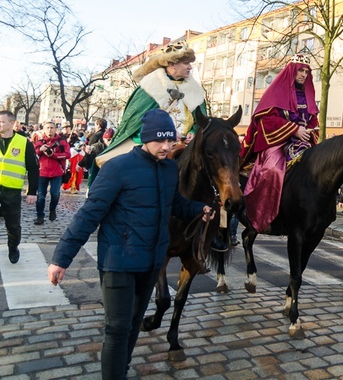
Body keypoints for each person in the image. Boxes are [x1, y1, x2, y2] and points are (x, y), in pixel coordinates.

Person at [47, 109, 215, 380]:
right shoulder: (117, 168)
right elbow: (89, 214)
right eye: (160, 140)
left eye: (170, 140)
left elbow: (176, 204)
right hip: (119, 261)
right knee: (117, 329)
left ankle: (120, 372)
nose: (166, 146)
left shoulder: (170, 168)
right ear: (145, 139)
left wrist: (199, 209)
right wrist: (60, 259)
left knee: (134, 324)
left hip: (151, 263)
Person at [240, 53, 319, 233]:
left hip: (302, 143)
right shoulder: (276, 92)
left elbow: (313, 120)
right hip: (278, 143)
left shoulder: (307, 96)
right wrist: (294, 130)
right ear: (292, 71)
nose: (304, 75)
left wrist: (310, 131)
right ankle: (261, 214)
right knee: (273, 170)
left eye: (306, 72)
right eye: (300, 71)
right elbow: (267, 120)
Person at [95, 42, 206, 169]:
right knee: (113, 166)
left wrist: (193, 132)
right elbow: (136, 124)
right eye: (186, 63)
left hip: (187, 146)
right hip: (153, 145)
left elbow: (201, 121)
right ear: (172, 64)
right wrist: (166, 135)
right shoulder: (149, 87)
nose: (190, 67)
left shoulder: (195, 90)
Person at [0, 110, 39, 264]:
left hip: (12, 191)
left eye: (2, 121)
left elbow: (33, 168)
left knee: (13, 225)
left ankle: (13, 247)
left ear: (12, 123)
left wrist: (32, 191)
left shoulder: (24, 143)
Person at [33, 122, 71, 225]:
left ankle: (52, 209)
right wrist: (40, 150)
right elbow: (33, 153)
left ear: (55, 129)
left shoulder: (62, 141)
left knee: (55, 194)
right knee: (41, 196)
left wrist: (54, 155)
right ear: (44, 130)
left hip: (57, 172)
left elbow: (67, 154)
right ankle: (40, 216)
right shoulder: (40, 142)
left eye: (52, 128)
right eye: (48, 128)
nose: (50, 130)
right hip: (42, 172)